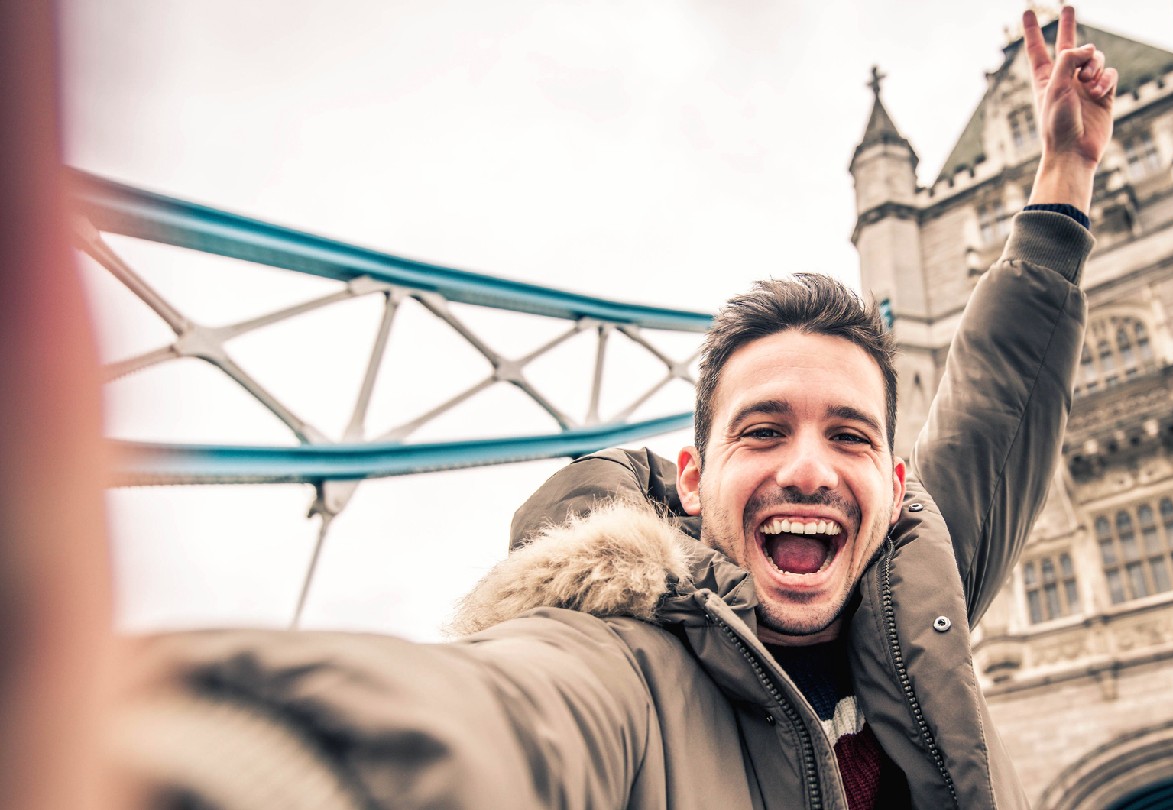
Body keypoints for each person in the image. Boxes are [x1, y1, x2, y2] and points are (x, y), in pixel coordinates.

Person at [115, 8, 1118, 808]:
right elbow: (490, 726)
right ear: (694, 479)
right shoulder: (626, 660)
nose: (810, 467)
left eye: (849, 434)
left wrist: (1066, 178)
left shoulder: (922, 622)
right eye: (763, 429)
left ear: (896, 487)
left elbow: (1000, 402)